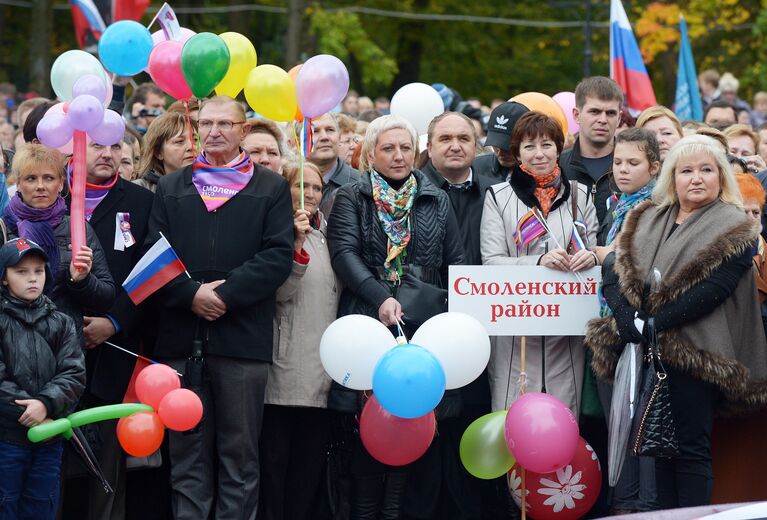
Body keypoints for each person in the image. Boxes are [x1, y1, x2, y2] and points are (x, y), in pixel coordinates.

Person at [586, 135, 767, 509]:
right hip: (643, 351)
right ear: (672, 177)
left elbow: (712, 290)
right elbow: (614, 269)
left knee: (690, 450)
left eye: (706, 170)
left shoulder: (734, 225)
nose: (696, 178)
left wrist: (651, 324)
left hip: (696, 352)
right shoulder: (647, 216)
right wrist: (627, 318)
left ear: (721, 177)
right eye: (686, 170)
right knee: (657, 450)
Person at [145, 96, 294, 520]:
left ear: (242, 130)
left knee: (240, 459)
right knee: (187, 459)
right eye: (205, 123)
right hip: (180, 339)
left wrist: (224, 295)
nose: (213, 131)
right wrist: (190, 293)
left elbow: (276, 257)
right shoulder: (173, 186)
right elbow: (154, 255)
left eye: (224, 123)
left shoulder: (270, 187)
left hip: (241, 343)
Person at [327, 114, 464, 519]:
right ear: (371, 155)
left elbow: (453, 261)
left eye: (405, 147)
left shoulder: (436, 198)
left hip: (420, 328)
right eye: (388, 148)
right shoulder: (352, 197)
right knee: (369, 427)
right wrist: (379, 297)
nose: (398, 155)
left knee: (411, 424)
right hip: (367, 324)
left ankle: (395, 512)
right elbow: (344, 255)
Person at [480, 111, 599, 416]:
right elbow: (491, 262)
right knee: (514, 420)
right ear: (517, 151)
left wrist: (591, 256)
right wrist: (538, 262)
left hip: (566, 336)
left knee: (563, 420)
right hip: (516, 333)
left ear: (559, 148)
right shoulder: (499, 196)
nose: (539, 154)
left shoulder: (581, 195)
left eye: (546, 145)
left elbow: (592, 249)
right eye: (529, 146)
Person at [65, 133, 154, 520]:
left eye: (116, 146)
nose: (108, 154)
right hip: (57, 351)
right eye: (97, 145)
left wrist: (114, 322)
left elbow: (153, 272)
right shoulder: (51, 194)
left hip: (117, 347)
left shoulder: (142, 201)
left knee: (107, 465)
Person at [260, 161, 339, 520]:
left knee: (308, 469)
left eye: (316, 188)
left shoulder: (325, 235)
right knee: (276, 466)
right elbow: (280, 292)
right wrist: (296, 245)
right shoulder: (276, 230)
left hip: (323, 370)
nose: (308, 194)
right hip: (285, 367)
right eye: (299, 186)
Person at [593, 128, 661, 514]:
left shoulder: (653, 207)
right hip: (609, 326)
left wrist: (602, 253)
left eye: (633, 163)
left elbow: (632, 259)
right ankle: (623, 501)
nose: (622, 169)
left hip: (636, 329)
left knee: (636, 426)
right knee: (616, 426)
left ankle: (637, 506)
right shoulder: (617, 204)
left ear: (653, 166)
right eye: (617, 162)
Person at [0, 238, 85, 520]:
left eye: (38, 270)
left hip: (49, 440)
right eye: (21, 272)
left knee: (42, 507)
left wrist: (46, 405)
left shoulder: (61, 321)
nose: (32, 278)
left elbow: (74, 373)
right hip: (6, 440)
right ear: (4, 278)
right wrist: (29, 409)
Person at [2, 144, 115, 346]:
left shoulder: (78, 229)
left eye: (49, 178)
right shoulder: (4, 228)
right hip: (13, 349)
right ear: (17, 184)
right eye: (30, 178)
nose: (40, 186)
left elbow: (105, 297)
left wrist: (81, 280)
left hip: (64, 350)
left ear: (61, 183)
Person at [560, 76, 624, 225]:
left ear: (619, 118)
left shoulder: (635, 168)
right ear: (577, 115)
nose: (602, 119)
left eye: (610, 113)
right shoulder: (556, 167)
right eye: (595, 111)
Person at [309, 113, 360, 215]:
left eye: (330, 130)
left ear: (339, 137)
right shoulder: (287, 184)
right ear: (299, 140)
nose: (324, 137)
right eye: (315, 131)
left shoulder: (361, 184)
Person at [735, 173, 767, 330]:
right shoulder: (715, 253)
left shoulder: (764, 249)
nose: (750, 218)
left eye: (755, 212)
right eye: (743, 212)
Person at [134, 111, 195, 193]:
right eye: (179, 141)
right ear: (158, 152)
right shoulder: (139, 189)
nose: (191, 147)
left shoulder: (211, 187)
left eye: (195, 140)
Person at [473, 101, 529, 182]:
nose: (500, 152)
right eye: (495, 143)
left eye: (507, 146)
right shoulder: (475, 168)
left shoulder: (545, 174)